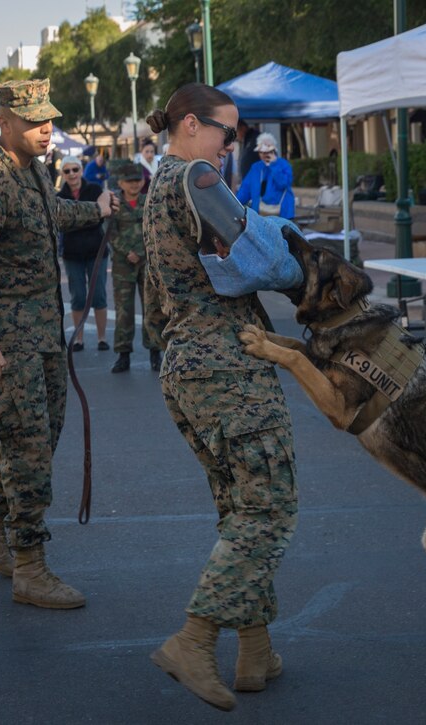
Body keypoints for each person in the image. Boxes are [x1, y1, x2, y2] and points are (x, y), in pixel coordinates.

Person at [0, 78, 118, 609]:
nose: (46, 129)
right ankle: (30, 569)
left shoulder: (31, 170)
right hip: (5, 346)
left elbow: (53, 213)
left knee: (38, 442)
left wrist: (97, 212)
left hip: (41, 337)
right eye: (35, 121)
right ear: (4, 122)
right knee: (28, 450)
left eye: (49, 119)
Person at [142, 83, 297, 711]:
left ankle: (254, 650)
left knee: (240, 507)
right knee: (268, 508)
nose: (232, 144)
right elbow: (266, 264)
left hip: (187, 359)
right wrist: (294, 256)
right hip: (226, 360)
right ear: (188, 124)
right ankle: (194, 639)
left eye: (235, 134)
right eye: (224, 131)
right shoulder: (199, 175)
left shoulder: (158, 182)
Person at [107, 159, 160, 373]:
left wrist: (139, 252)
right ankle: (123, 354)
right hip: (122, 265)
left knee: (151, 309)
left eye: (137, 180)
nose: (134, 185)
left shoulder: (149, 202)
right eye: (129, 181)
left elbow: (155, 230)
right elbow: (109, 233)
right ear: (120, 183)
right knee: (124, 311)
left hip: (146, 262)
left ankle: (155, 352)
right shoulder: (114, 204)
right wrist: (126, 251)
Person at [57, 155, 109, 351]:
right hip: (72, 255)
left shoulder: (95, 190)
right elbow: (62, 223)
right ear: (62, 174)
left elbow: (102, 217)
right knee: (78, 297)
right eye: (67, 171)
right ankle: (78, 338)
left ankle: (102, 338)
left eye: (75, 170)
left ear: (81, 170)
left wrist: (77, 220)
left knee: (99, 296)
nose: (72, 174)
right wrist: (88, 217)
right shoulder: (59, 197)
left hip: (97, 252)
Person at [236, 132, 294, 219]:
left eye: (268, 152)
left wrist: (273, 165)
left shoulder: (283, 164)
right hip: (260, 212)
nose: (264, 155)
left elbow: (283, 184)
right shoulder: (256, 167)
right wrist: (235, 204)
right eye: (261, 152)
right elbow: (245, 188)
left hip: (282, 213)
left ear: (274, 151)